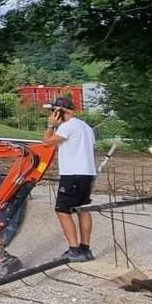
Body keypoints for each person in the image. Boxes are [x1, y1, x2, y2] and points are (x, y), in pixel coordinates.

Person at [41, 96, 96, 261]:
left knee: (62, 210)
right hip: (87, 173)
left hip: (72, 174)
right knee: (83, 208)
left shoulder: (68, 126)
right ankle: (85, 249)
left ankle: (74, 249)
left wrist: (51, 125)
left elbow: (46, 143)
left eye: (53, 111)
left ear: (58, 111)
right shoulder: (86, 127)